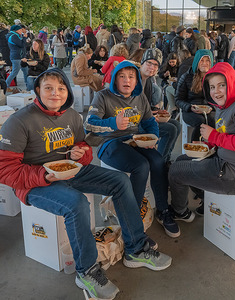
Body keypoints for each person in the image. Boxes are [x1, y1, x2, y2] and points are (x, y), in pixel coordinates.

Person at [0, 68, 171, 300]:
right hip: (35, 183)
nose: (55, 93)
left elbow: (84, 149)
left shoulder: (71, 116)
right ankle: (87, 271)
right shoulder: (19, 121)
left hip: (72, 170)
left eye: (61, 88)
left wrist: (81, 154)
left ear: (67, 92)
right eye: (48, 87)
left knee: (120, 181)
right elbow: (5, 171)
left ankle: (136, 249)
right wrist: (44, 175)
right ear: (37, 90)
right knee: (77, 203)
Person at [84, 60, 180, 238]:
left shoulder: (140, 97)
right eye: (122, 76)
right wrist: (114, 123)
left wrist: (152, 137)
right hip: (109, 143)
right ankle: (133, 218)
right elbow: (89, 125)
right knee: (141, 165)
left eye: (131, 76)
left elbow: (149, 121)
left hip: (135, 140)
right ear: (115, 79)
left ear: (136, 80)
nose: (126, 80)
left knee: (158, 160)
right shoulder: (103, 96)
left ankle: (163, 209)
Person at [169, 62, 235, 220]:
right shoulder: (223, 108)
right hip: (225, 162)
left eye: (222, 85)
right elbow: (227, 135)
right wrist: (208, 144)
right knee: (181, 159)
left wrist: (213, 136)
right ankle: (205, 197)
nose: (216, 92)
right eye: (212, 87)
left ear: (232, 83)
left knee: (175, 172)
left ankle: (179, 212)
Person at [139, 48, 181, 164]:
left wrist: (155, 111)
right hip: (134, 123)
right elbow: (130, 106)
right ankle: (159, 164)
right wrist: (149, 115)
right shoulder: (134, 79)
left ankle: (165, 158)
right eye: (149, 63)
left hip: (143, 117)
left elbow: (144, 104)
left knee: (176, 124)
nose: (152, 67)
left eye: (156, 65)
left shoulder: (147, 80)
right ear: (142, 62)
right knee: (170, 129)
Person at [175, 49, 215, 142]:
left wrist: (212, 107)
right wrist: (189, 107)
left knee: (214, 121)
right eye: (202, 60)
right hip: (190, 110)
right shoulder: (187, 76)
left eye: (207, 60)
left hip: (209, 109)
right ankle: (194, 148)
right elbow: (178, 99)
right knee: (201, 121)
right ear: (197, 61)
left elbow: (218, 98)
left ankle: (214, 148)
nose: (204, 63)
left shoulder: (214, 77)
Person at [5, 24, 28, 89]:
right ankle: (5, 86)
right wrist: (24, 38)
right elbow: (21, 45)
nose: (21, 31)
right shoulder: (13, 36)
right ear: (16, 30)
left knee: (26, 71)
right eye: (20, 29)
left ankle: (28, 87)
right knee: (14, 72)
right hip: (16, 57)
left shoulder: (16, 35)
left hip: (21, 57)